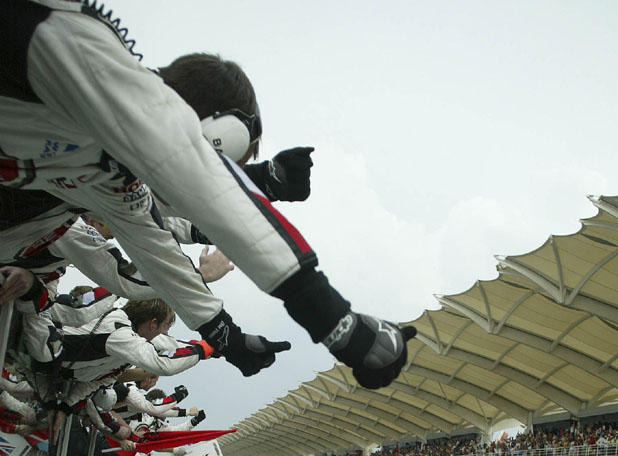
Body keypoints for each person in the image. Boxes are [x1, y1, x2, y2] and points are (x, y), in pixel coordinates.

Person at [0, 3, 415, 390]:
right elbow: (185, 166)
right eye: (219, 162)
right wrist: (335, 321)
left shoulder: (111, 167)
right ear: (212, 134)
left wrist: (226, 337)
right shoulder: (74, 40)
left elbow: (157, 246)